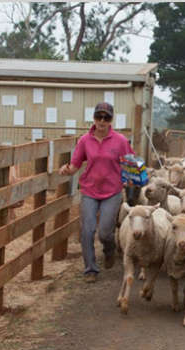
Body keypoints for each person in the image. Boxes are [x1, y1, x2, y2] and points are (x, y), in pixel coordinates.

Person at [59, 102, 134, 283]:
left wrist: (134, 178)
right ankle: (90, 269)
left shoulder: (120, 141)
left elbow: (130, 164)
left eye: (106, 117)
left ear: (111, 120)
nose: (102, 121)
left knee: (105, 233)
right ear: (93, 118)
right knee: (87, 230)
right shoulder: (85, 140)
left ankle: (109, 250)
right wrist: (67, 170)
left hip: (112, 191)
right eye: (99, 117)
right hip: (90, 190)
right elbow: (76, 164)